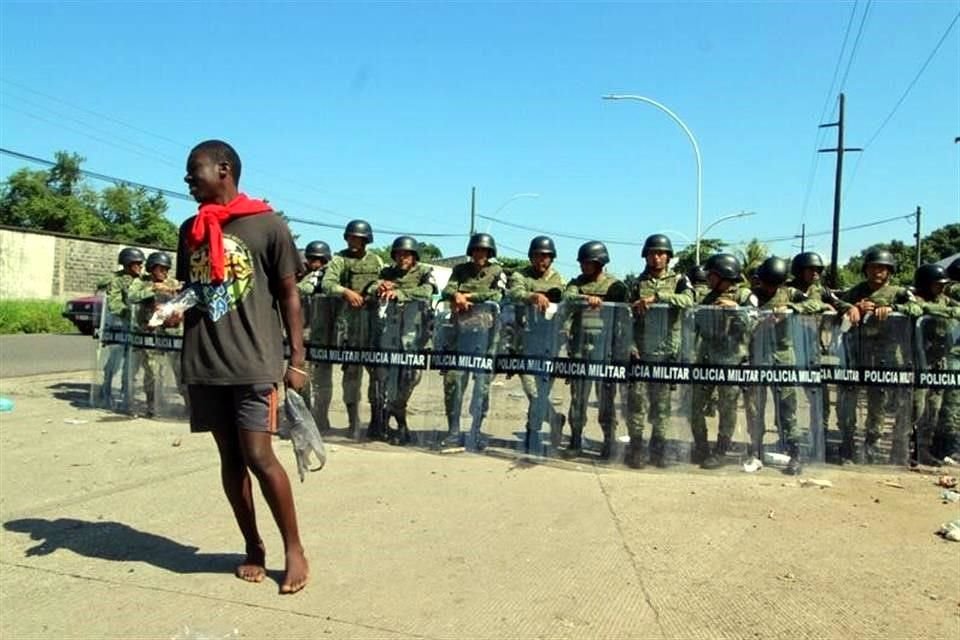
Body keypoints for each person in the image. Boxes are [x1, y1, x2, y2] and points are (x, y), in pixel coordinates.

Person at [173, 139, 308, 594]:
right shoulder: (189, 229)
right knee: (230, 460)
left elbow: (290, 295)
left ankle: (294, 549)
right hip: (206, 363)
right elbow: (192, 288)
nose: (189, 180)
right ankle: (253, 547)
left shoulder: (267, 225)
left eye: (196, 171)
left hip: (254, 363)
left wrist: (297, 358)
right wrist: (170, 308)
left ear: (224, 169)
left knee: (260, 458)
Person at [832, 247, 918, 465]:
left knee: (877, 404)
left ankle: (872, 446)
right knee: (847, 403)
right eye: (873, 267)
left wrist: (892, 308)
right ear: (865, 269)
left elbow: (917, 308)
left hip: (885, 357)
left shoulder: (899, 292)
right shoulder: (856, 291)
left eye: (882, 268)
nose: (877, 271)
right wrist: (852, 307)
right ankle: (848, 446)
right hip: (857, 355)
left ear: (890, 271)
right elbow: (835, 304)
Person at [745, 256, 823, 475]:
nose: (770, 288)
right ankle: (756, 451)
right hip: (758, 357)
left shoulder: (789, 293)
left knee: (788, 407)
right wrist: (762, 320)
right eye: (766, 283)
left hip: (784, 357)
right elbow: (743, 319)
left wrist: (789, 308)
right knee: (755, 408)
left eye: (774, 284)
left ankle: (794, 453)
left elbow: (815, 303)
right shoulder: (753, 296)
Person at [625, 234, 694, 468]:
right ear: (646, 256)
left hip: (666, 353)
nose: (657, 257)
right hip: (641, 353)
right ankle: (636, 448)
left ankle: (658, 450)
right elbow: (626, 318)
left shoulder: (680, 281)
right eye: (652, 253)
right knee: (636, 405)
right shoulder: (636, 283)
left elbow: (688, 301)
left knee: (661, 407)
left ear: (668, 256)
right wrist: (630, 346)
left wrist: (658, 297)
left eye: (661, 253)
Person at [690, 253, 757, 469]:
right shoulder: (707, 298)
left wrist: (736, 310)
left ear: (723, 275)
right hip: (706, 361)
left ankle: (720, 450)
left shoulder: (745, 295)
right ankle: (701, 447)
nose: (707, 278)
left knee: (727, 409)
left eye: (711, 274)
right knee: (695, 407)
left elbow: (756, 322)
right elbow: (695, 327)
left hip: (732, 362)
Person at [562, 241, 628, 459]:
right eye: (581, 262)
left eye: (587, 262)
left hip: (605, 349)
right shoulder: (577, 283)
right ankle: (575, 439)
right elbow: (567, 296)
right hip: (581, 348)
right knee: (578, 398)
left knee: (606, 399)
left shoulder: (615, 286)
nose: (582, 266)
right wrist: (586, 298)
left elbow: (625, 312)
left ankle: (609, 441)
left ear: (599, 262)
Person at [439, 233, 505, 450]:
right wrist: (456, 295)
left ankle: (475, 429)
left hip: (487, 337)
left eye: (484, 251)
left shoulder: (497, 271)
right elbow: (448, 289)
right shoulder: (460, 270)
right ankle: (454, 430)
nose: (480, 255)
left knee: (482, 387)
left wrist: (467, 297)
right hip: (461, 335)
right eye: (477, 250)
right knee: (453, 382)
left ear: (490, 253)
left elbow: (497, 295)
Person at [321, 220, 384, 438]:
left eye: (359, 238)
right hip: (348, 323)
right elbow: (327, 284)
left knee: (378, 374)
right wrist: (346, 292)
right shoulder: (339, 259)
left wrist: (377, 288)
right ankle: (353, 421)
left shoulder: (376, 259)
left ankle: (377, 421)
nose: (354, 241)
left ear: (367, 240)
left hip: (373, 323)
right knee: (351, 375)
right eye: (351, 237)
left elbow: (382, 281)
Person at [372, 235, 438, 444]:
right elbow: (373, 286)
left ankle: (396, 412)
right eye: (399, 254)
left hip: (414, 334)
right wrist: (380, 288)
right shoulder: (387, 272)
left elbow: (427, 291)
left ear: (414, 256)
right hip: (389, 333)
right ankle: (391, 424)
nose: (402, 258)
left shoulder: (425, 272)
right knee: (385, 378)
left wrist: (399, 292)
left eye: (407, 254)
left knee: (410, 377)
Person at [506, 235, 566, 452]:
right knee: (533, 391)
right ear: (531, 256)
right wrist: (533, 296)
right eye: (538, 255)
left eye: (546, 256)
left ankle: (533, 432)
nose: (542, 260)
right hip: (525, 342)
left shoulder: (558, 278)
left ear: (552, 258)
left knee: (540, 393)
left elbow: (564, 300)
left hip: (549, 343)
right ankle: (551, 420)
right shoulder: (520, 275)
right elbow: (514, 292)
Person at [911, 264, 960, 465]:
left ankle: (924, 450)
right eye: (937, 284)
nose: (941, 288)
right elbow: (916, 308)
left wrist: (940, 310)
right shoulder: (915, 298)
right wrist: (941, 311)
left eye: (943, 284)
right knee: (916, 407)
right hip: (919, 361)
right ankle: (906, 449)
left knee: (934, 408)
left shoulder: (947, 300)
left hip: (940, 362)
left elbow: (957, 310)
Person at [127, 251, 182, 417]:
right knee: (152, 372)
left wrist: (171, 290)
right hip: (150, 334)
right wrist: (152, 289)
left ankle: (189, 404)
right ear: (152, 268)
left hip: (172, 333)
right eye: (161, 268)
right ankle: (152, 405)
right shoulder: (141, 283)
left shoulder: (171, 282)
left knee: (179, 371)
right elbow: (132, 296)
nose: (165, 272)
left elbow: (183, 295)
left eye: (167, 269)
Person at [100, 247, 145, 410]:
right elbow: (114, 304)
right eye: (137, 263)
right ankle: (106, 391)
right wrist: (129, 313)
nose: (141, 266)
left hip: (137, 328)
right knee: (115, 361)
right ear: (127, 264)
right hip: (119, 326)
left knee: (132, 365)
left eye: (141, 263)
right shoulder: (117, 280)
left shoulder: (141, 279)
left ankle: (127, 395)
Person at [298, 240, 334, 431]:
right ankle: (305, 419)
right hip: (302, 333)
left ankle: (321, 418)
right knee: (302, 378)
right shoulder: (303, 276)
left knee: (322, 381)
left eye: (319, 259)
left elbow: (305, 289)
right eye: (311, 259)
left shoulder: (327, 276)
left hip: (322, 335)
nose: (314, 263)